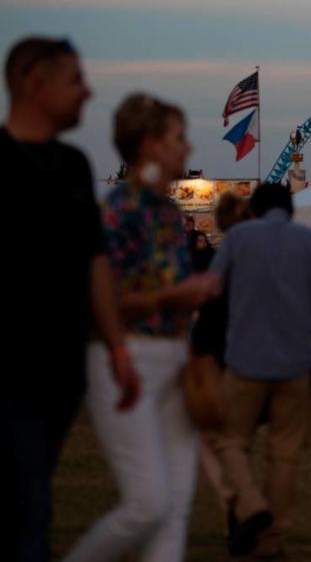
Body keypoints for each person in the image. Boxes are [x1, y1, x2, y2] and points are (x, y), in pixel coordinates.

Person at [65, 94, 220, 562]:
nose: (187, 149)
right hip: (124, 355)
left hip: (171, 355)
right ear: (149, 143)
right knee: (148, 504)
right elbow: (100, 301)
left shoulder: (168, 214)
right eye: (178, 138)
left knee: (174, 509)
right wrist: (173, 297)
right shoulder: (116, 212)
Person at [0, 36, 138, 562]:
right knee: (29, 511)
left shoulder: (75, 166)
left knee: (35, 499)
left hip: (60, 371)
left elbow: (95, 263)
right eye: (75, 80)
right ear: (36, 83)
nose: (87, 92)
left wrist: (118, 350)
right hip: (10, 369)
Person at [210, 182, 311, 558]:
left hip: (245, 362)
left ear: (255, 209)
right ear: (290, 208)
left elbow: (213, 286)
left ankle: (252, 507)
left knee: (231, 442)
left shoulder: (238, 239)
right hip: (295, 364)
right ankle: (272, 540)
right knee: (284, 454)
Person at [190, 192, 251, 528]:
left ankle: (230, 495)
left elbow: (210, 309)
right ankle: (241, 496)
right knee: (239, 438)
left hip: (217, 351)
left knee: (208, 435)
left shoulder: (222, 257)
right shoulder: (256, 256)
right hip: (251, 354)